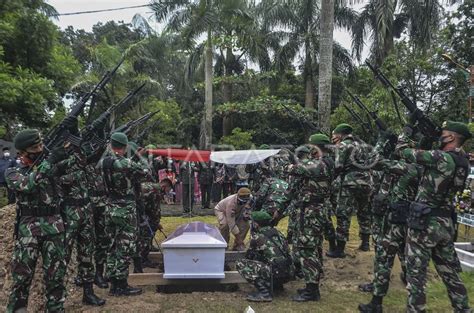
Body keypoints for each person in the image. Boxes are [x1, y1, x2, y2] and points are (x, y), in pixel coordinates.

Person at [397, 121, 471, 312]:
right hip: (445, 223)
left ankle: (415, 309)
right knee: (450, 274)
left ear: (452, 137)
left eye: (443, 133)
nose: (440, 135)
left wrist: (406, 132)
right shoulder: (462, 161)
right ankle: (463, 309)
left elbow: (403, 151)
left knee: (416, 275)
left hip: (425, 224)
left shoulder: (441, 157)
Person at [5, 128, 70, 312]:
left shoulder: (50, 165)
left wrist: (73, 141)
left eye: (42, 145)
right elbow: (29, 184)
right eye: (36, 147)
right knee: (21, 280)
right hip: (29, 231)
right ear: (23, 152)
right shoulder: (13, 172)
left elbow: (74, 164)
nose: (41, 149)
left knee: (56, 278)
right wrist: (49, 161)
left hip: (54, 227)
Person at [98, 132, 148, 296]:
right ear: (125, 146)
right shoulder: (125, 162)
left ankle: (113, 282)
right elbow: (145, 172)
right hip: (124, 208)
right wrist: (138, 157)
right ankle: (121, 285)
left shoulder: (103, 162)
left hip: (109, 206)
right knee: (125, 246)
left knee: (112, 246)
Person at [288, 133, 334, 302]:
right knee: (313, 247)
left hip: (312, 211)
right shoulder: (325, 162)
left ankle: (312, 290)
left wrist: (292, 163)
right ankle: (310, 285)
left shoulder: (321, 164)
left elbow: (294, 169)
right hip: (313, 210)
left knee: (308, 249)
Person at [329, 123, 372, 258]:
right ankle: (365, 243)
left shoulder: (344, 145)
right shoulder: (363, 145)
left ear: (340, 134)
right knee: (364, 212)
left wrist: (331, 179)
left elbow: (338, 165)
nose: (333, 137)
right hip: (366, 181)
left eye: (334, 134)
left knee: (343, 213)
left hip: (350, 182)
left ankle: (340, 249)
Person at [236, 211, 294, 302]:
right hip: (289, 272)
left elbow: (249, 256)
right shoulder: (278, 233)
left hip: (274, 272)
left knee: (241, 263)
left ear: (256, 224)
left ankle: (264, 293)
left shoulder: (257, 237)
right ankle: (277, 286)